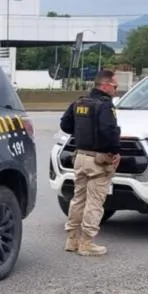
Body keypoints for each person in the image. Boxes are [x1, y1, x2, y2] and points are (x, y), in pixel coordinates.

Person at [59, 69, 121, 256]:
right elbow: (109, 131)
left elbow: (65, 125)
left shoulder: (79, 102)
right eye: (115, 86)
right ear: (105, 85)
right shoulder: (105, 106)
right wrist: (115, 152)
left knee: (78, 199)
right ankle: (87, 243)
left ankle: (72, 240)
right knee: (95, 201)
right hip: (98, 160)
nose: (116, 90)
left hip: (80, 157)